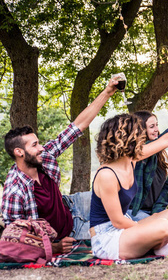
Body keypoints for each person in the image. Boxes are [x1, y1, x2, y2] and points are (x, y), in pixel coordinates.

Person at [2, 78, 118, 254]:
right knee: (119, 229)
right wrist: (53, 247)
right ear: (19, 152)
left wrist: (108, 91)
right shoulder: (14, 191)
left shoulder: (44, 156)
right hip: (68, 234)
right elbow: (13, 241)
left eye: (38, 143)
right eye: (34, 145)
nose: (41, 148)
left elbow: (77, 126)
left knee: (121, 202)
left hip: (72, 206)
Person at [90, 110, 168, 260]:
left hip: (127, 230)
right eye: (137, 133)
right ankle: (164, 243)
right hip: (108, 240)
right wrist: (149, 229)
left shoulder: (132, 159)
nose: (142, 136)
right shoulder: (106, 174)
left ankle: (164, 244)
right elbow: (118, 221)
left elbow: (167, 139)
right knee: (163, 226)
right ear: (125, 139)